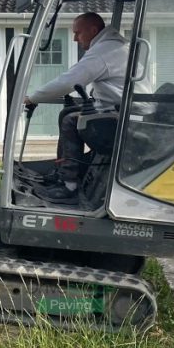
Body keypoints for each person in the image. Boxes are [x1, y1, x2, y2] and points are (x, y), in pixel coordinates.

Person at [23, 12, 127, 204]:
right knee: (69, 113)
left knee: (71, 120)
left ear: (93, 30)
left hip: (122, 115)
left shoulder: (106, 50)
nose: (74, 38)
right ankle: (63, 173)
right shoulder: (111, 46)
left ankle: (69, 184)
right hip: (118, 109)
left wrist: (33, 98)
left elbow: (70, 81)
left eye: (77, 33)